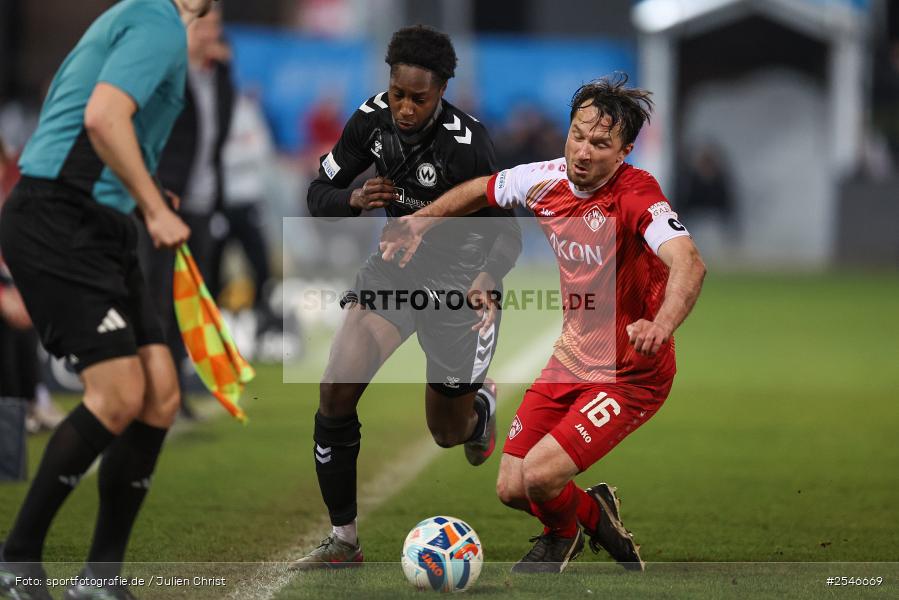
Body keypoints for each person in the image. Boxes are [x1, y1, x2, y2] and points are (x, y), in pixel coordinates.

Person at [381, 75, 707, 573]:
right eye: (577, 134)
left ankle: (560, 537)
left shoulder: (638, 194)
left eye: (601, 144)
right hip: (571, 360)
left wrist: (660, 325)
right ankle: (591, 515)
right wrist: (421, 221)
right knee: (512, 487)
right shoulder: (546, 178)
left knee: (539, 478)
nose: (583, 151)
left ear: (624, 152)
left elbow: (689, 262)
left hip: (629, 374)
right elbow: (479, 190)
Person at [0, 1, 215, 598]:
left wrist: (143, 188)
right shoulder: (157, 21)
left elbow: (79, 113)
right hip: (62, 218)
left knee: (160, 396)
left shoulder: (145, 20)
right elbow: (101, 118)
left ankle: (99, 579)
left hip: (101, 221)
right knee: (118, 395)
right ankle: (16, 558)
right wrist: (150, 205)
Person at [291, 25, 522, 570]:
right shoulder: (370, 120)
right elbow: (315, 195)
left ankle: (479, 409)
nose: (405, 108)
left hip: (460, 289)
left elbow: (508, 232)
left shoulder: (469, 144)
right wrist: (351, 198)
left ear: (442, 93)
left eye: (419, 98)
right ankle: (344, 540)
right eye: (398, 93)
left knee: (447, 433)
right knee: (335, 390)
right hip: (394, 274)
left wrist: (488, 276)